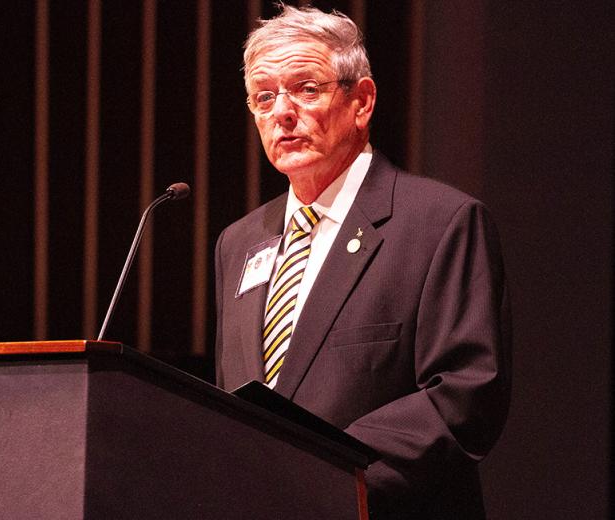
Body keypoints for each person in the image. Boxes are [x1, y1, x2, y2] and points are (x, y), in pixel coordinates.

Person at [214, 5, 511, 519]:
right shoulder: (239, 242)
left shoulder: (440, 223)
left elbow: (464, 395)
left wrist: (330, 476)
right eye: (265, 95)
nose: (283, 111)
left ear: (362, 101)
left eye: (307, 88)